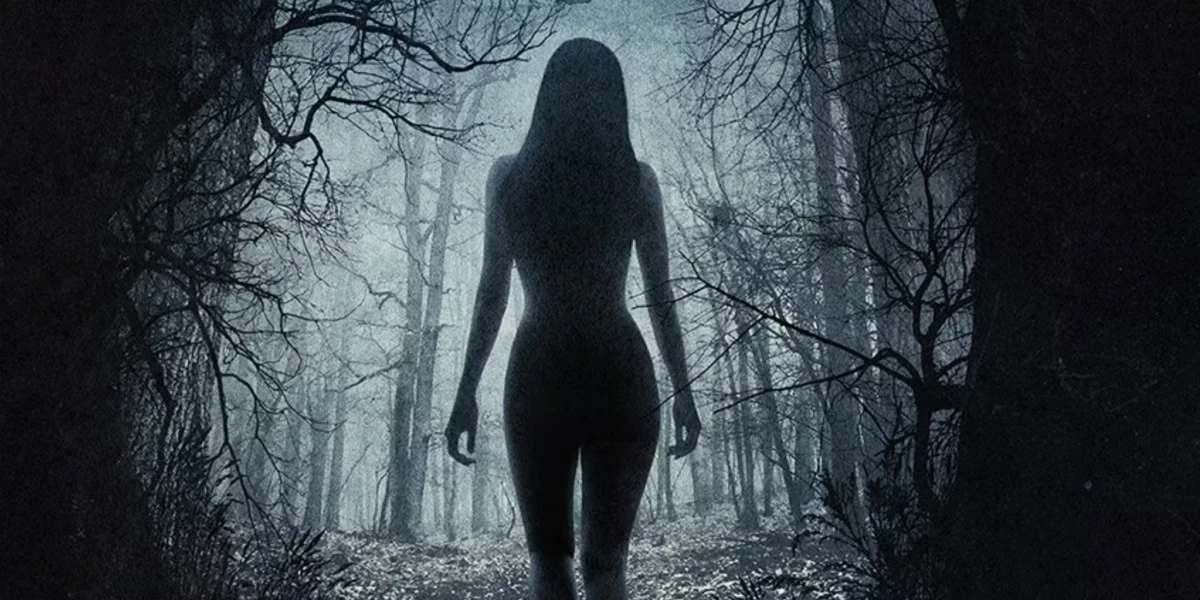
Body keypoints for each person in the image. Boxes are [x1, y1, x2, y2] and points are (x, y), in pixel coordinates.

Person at [444, 38, 701, 600]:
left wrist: (466, 392)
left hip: (540, 374)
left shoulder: (509, 179)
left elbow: (492, 292)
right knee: (607, 567)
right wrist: (683, 391)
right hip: (620, 373)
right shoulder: (637, 182)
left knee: (549, 561)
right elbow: (660, 297)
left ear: (547, 98)